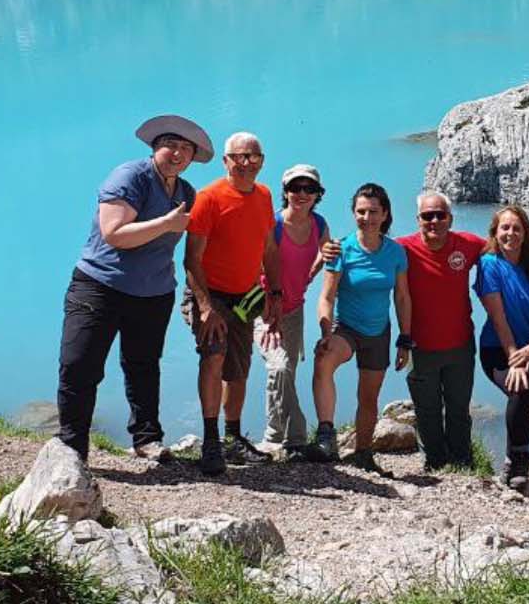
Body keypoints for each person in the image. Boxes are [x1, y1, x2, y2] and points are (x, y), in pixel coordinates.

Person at [56, 114, 210, 461]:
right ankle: (71, 448)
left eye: (186, 149)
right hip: (100, 285)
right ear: (156, 147)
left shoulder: (185, 193)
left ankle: (147, 439)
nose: (178, 153)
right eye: (171, 145)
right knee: (80, 364)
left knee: (144, 366)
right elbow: (114, 233)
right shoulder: (130, 177)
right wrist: (167, 223)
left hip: (153, 293)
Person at [183, 132, 282, 476]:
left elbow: (269, 249)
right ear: (226, 161)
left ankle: (233, 438)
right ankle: (211, 443)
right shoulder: (208, 198)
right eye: (239, 157)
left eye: (253, 157)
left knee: (239, 366)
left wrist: (275, 293)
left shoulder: (265, 195)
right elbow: (191, 259)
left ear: (262, 161)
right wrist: (206, 307)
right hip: (209, 293)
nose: (246, 163)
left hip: (246, 294)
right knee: (214, 355)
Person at [299, 182, 412, 474]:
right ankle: (326, 435)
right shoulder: (342, 249)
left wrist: (405, 338)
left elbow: (402, 297)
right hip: (346, 328)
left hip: (379, 332)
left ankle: (363, 453)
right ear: (353, 213)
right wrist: (325, 332)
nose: (367, 217)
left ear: (385, 214)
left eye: (373, 212)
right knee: (323, 360)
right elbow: (326, 296)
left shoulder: (395, 252)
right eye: (361, 211)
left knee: (368, 397)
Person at [398, 191, 488, 472]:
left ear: (450, 218)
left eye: (440, 215)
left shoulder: (468, 244)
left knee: (459, 409)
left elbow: (504, 248)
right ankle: (435, 462)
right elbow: (367, 251)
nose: (434, 221)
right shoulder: (402, 248)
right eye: (428, 216)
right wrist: (332, 249)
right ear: (418, 220)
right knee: (427, 410)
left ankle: (463, 462)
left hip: (461, 344)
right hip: (420, 346)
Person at [475, 205, 529, 486]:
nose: (510, 233)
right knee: (521, 387)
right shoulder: (489, 264)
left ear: (526, 233)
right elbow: (498, 317)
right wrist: (515, 360)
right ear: (495, 233)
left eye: (516, 228)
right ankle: (517, 461)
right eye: (504, 228)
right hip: (498, 348)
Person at [258, 164, 331, 453]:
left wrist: (311, 274)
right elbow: (254, 266)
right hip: (264, 309)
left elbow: (329, 252)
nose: (302, 194)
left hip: (295, 311)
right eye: (295, 188)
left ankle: (292, 440)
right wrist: (267, 305)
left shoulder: (319, 224)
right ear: (285, 192)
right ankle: (278, 437)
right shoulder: (272, 225)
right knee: (279, 368)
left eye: (309, 189)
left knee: (288, 373)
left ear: (317, 194)